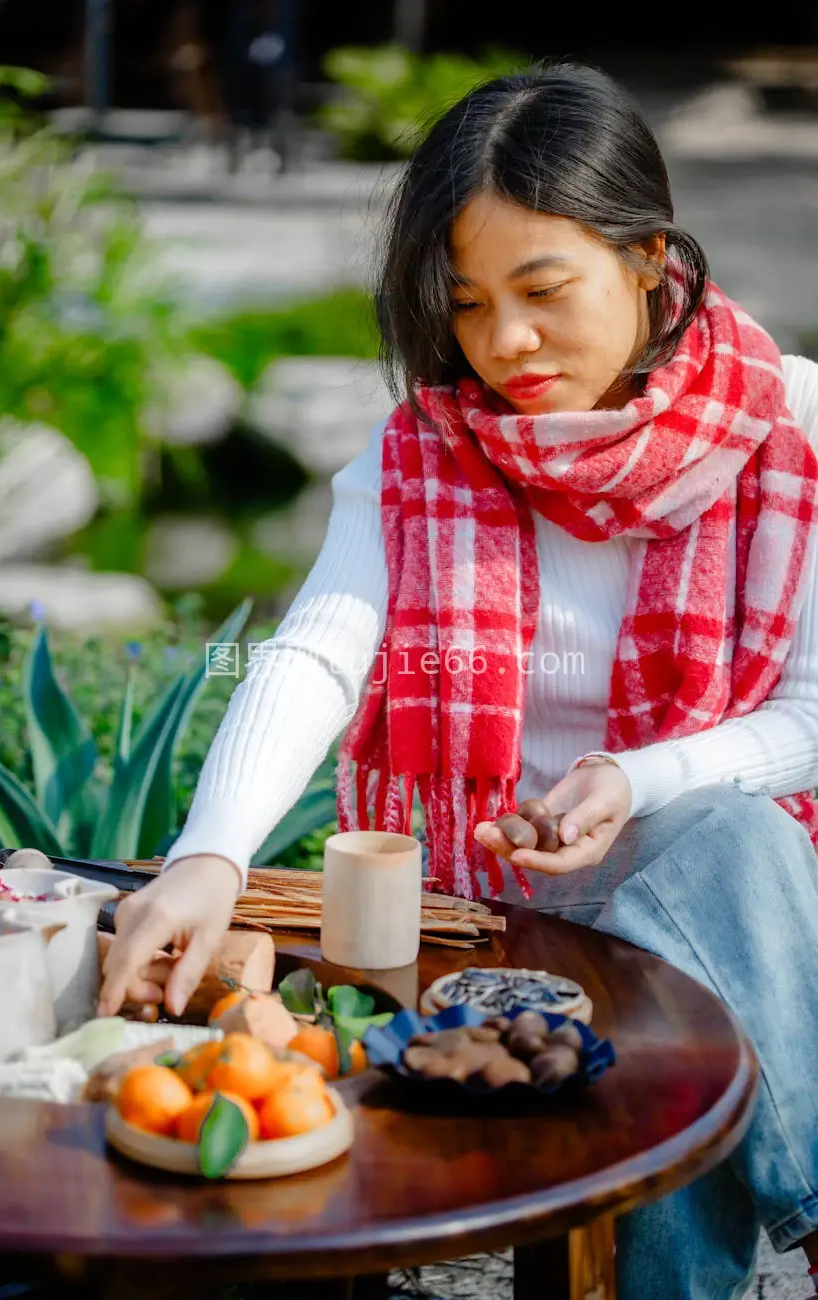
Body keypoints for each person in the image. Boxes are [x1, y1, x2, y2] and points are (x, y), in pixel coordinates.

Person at [98, 61, 818, 1299]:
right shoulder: (425, 450)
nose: (503, 345)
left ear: (650, 258)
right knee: (681, 1016)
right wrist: (209, 853)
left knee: (728, 850)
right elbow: (320, 646)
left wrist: (633, 780)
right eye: (468, 302)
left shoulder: (794, 427)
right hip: (492, 913)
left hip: (726, 902)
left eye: (544, 291)